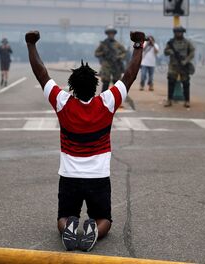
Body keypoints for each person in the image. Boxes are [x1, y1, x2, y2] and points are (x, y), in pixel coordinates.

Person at [26, 30, 144, 252]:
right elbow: (129, 75)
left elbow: (41, 74)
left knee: (63, 217)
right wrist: (139, 45)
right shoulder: (107, 102)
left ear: (71, 87)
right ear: (96, 86)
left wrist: (31, 45)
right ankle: (94, 232)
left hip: (69, 176)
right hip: (98, 177)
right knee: (104, 220)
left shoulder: (62, 102)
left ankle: (68, 227)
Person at [164, 26, 195, 108]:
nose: (178, 34)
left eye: (180, 32)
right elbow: (165, 51)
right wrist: (170, 51)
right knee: (171, 82)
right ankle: (169, 100)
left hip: (183, 66)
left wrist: (186, 61)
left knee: (186, 83)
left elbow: (192, 52)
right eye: (177, 32)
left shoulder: (187, 42)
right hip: (173, 66)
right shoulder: (171, 43)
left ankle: (187, 101)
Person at [95, 26, 127, 92]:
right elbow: (96, 53)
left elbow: (124, 52)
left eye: (112, 33)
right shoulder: (103, 44)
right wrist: (103, 53)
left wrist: (119, 57)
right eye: (109, 33)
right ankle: (103, 98)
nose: (111, 35)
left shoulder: (117, 44)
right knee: (106, 82)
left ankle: (115, 97)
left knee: (116, 82)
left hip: (116, 64)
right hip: (106, 65)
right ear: (107, 34)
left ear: (114, 34)